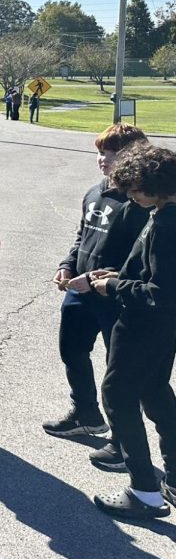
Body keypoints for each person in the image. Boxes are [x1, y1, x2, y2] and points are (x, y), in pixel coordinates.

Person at [44, 124, 149, 446]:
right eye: (101, 153)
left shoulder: (142, 203)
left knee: (118, 372)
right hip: (81, 292)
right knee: (72, 350)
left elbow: (142, 261)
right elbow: (83, 237)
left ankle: (124, 440)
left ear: (133, 157)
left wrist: (96, 279)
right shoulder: (95, 192)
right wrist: (66, 265)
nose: (103, 160)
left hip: (116, 297)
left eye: (112, 153)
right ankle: (86, 414)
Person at [86, 144, 176, 520]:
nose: (131, 197)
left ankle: (144, 490)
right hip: (160, 328)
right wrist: (122, 276)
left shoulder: (167, 225)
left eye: (136, 189)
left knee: (117, 395)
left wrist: (114, 287)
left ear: (157, 185)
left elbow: (161, 292)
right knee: (154, 393)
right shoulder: (163, 212)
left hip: (144, 325)